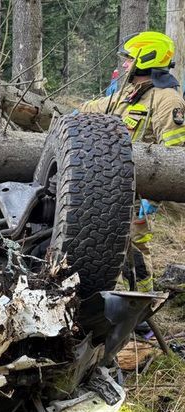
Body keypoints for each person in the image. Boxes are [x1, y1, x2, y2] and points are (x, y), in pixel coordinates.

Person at [81, 31, 185, 293]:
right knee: (106, 245)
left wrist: (154, 198)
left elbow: (176, 155)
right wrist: (75, 114)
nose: (125, 64)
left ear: (146, 58)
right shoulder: (129, 94)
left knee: (135, 247)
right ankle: (114, 303)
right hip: (111, 187)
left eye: (129, 59)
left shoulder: (167, 99)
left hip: (139, 192)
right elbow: (98, 107)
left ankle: (141, 306)